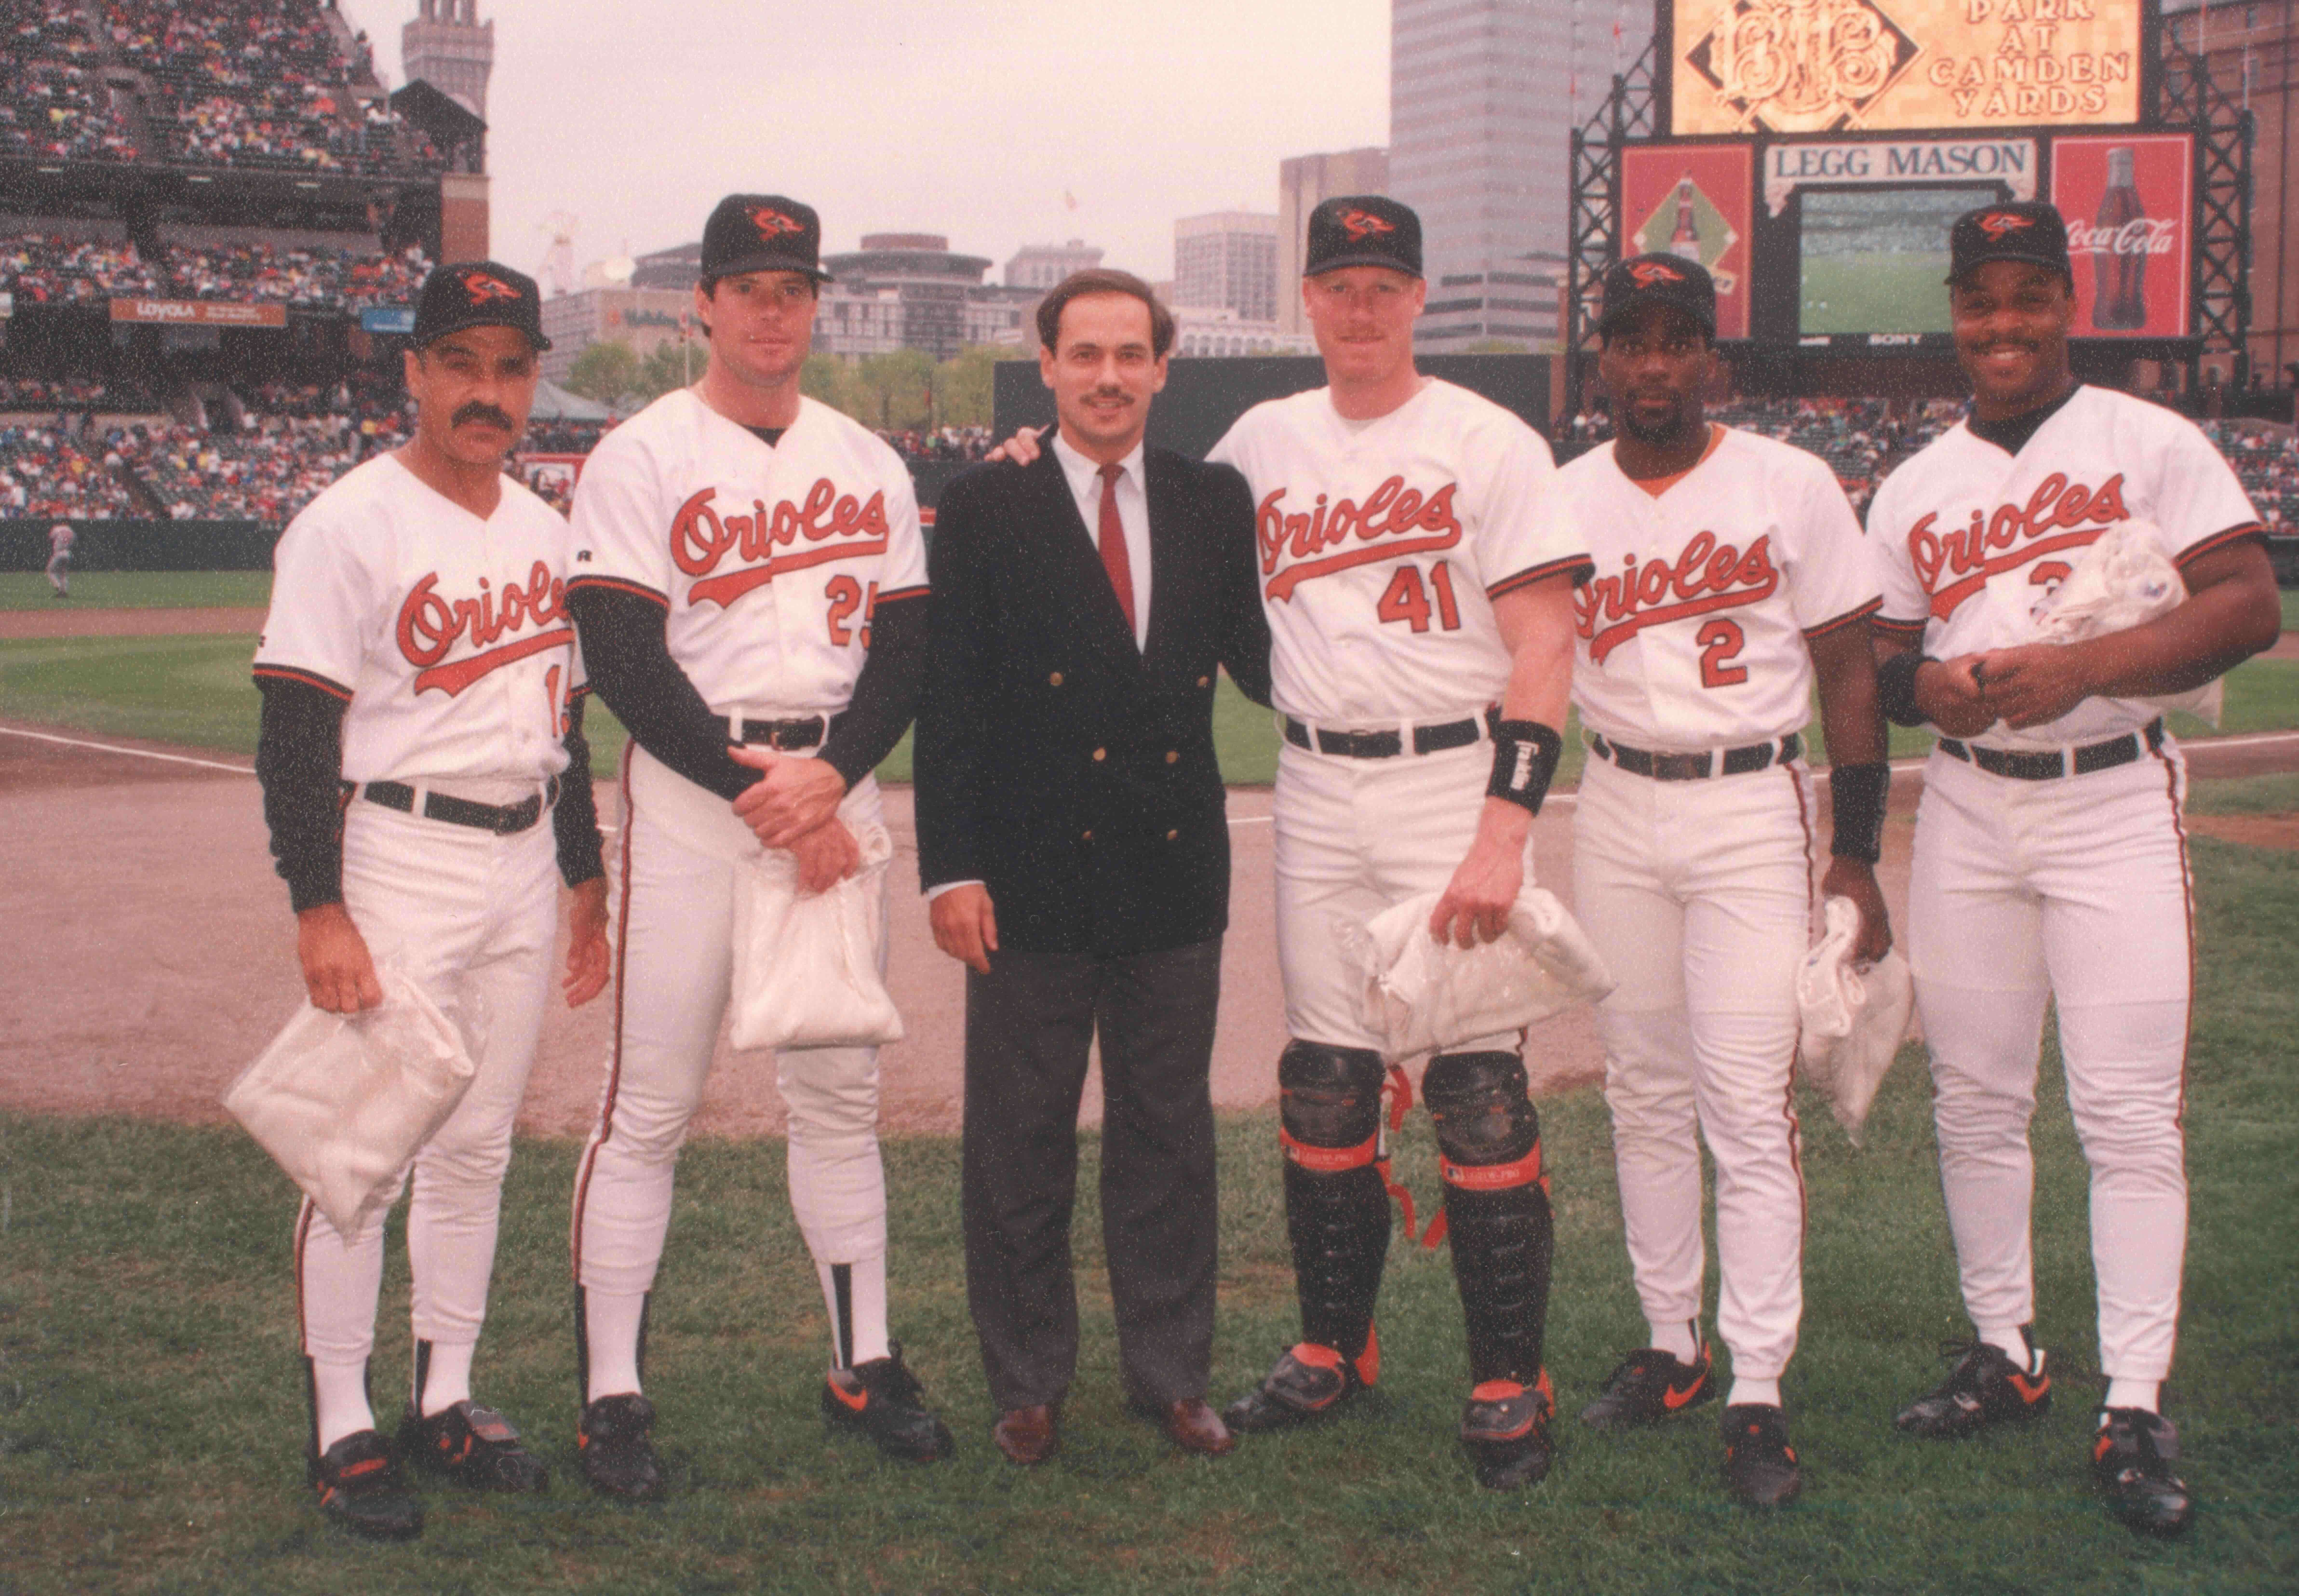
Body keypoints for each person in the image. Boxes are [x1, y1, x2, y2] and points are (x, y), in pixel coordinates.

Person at [997, 197, 1592, 1487]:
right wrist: (1020, 459)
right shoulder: (1262, 439)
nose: (1361, 308)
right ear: (1308, 299)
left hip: (1451, 776)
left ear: (1419, 297)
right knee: (1326, 1077)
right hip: (1319, 783)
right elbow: (1129, 492)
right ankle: (1333, 1347)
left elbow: (1546, 643)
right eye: (1339, 284)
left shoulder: (1489, 440)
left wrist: (1506, 825)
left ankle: (1508, 1379)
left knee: (1476, 1087)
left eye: (1385, 284)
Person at [1866, 201, 2279, 1538]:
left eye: (2026, 295)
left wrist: (2082, 668)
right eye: (1980, 299)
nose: (2002, 322)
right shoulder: (1916, 481)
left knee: (2122, 1114)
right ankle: (2008, 1350)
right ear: (1955, 311)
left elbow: (2246, 602)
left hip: (2110, 797)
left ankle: (2136, 1394)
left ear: (2066, 302)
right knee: (1977, 1100)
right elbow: (1877, 662)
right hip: (1975, 811)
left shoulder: (2149, 440)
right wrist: (1923, 681)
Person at [562, 193, 951, 1497]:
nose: (773, 308)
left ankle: (865, 1356)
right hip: (695, 796)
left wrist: (833, 777)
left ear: (814, 301)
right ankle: (613, 1390)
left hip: (835, 795)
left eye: (793, 285)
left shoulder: (871, 461)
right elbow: (621, 656)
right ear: (706, 305)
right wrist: (764, 792)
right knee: (652, 1105)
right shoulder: (640, 452)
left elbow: (906, 650)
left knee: (840, 1095)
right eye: (750, 284)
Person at [249, 261, 611, 1541]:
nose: (487, 390)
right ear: (412, 368)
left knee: (478, 1143)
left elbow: (558, 718)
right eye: (460, 361)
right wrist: (319, 903)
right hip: (396, 855)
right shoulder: (348, 523)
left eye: (511, 367)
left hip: (521, 852)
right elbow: (296, 732)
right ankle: (342, 1416)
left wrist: (583, 876)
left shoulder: (545, 526)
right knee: (366, 1146)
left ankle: (443, 1393)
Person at [1551, 255, 1892, 1508]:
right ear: (1600, 359)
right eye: (1629, 340)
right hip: (1618, 801)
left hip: (1752, 803)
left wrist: (1854, 847)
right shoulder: (1561, 497)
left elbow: (1851, 672)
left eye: (1677, 338)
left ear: (1713, 357)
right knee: (1643, 1086)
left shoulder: (1787, 480)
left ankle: (1758, 1382)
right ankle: (1670, 1342)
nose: (1653, 362)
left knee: (1745, 1103)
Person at [915, 270, 1271, 1465]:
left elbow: (1269, 662)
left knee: (1166, 1139)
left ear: (1162, 367)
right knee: (1019, 1139)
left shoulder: (1211, 498)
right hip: (1027, 873)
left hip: (1171, 868)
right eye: (1085, 355)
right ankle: (1026, 1380)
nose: (1108, 376)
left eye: (1130, 354)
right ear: (1049, 365)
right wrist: (948, 868)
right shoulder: (981, 504)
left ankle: (1170, 1374)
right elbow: (950, 701)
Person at [44, 521, 72, 598]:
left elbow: (50, 538)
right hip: (67, 553)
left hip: (59, 553)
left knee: (50, 570)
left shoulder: (57, 529)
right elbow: (73, 541)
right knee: (63, 573)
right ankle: (64, 592)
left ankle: (58, 586)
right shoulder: (70, 530)